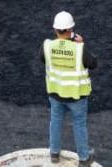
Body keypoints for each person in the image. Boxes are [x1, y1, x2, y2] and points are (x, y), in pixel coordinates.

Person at [43, 11, 97, 166]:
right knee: (79, 124)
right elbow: (93, 63)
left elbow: (43, 58)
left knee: (56, 120)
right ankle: (84, 158)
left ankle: (54, 153)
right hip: (76, 96)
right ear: (71, 29)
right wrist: (80, 44)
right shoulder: (79, 49)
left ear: (55, 30)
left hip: (55, 94)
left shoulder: (47, 46)